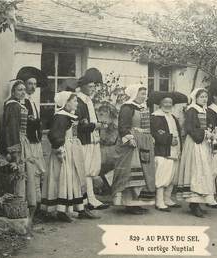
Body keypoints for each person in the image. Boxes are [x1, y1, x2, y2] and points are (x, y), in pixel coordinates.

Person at [41, 91, 99, 222]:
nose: (77, 103)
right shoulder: (60, 117)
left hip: (73, 149)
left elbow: (75, 130)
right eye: (74, 101)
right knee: (65, 178)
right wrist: (59, 149)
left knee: (77, 178)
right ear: (66, 102)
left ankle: (80, 208)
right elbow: (54, 134)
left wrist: (88, 125)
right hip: (64, 150)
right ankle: (61, 211)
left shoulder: (69, 116)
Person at [0, 80, 41, 229]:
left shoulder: (18, 105)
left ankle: (28, 215)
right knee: (21, 176)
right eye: (19, 90)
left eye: (24, 90)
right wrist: (14, 151)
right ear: (13, 91)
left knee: (28, 175)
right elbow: (11, 129)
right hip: (19, 143)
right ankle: (20, 213)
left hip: (25, 142)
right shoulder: (12, 105)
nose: (23, 92)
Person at [111, 84, 156, 215]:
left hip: (144, 142)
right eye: (142, 93)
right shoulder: (127, 108)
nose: (145, 96)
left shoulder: (143, 108)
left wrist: (150, 136)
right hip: (133, 143)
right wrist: (130, 138)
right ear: (134, 94)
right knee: (132, 172)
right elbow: (123, 126)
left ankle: (139, 202)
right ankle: (129, 203)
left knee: (144, 171)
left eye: (145, 93)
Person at [176, 88, 217, 218]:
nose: (204, 99)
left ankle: (199, 202)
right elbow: (189, 127)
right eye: (201, 97)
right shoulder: (192, 110)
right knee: (196, 169)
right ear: (196, 98)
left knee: (204, 170)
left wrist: (213, 132)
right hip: (195, 143)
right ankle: (194, 204)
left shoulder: (205, 110)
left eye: (206, 97)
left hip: (204, 143)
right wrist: (204, 133)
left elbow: (209, 125)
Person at [75, 68, 109, 210]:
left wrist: (97, 125)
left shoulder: (88, 101)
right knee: (85, 170)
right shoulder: (79, 102)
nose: (92, 89)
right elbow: (80, 125)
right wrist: (96, 125)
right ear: (82, 87)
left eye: (94, 86)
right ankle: (85, 200)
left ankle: (91, 198)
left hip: (92, 139)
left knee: (91, 170)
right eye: (90, 86)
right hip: (84, 140)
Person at [16, 68, 47, 214]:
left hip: (36, 142)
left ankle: (37, 204)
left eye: (34, 84)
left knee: (38, 173)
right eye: (29, 84)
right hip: (28, 143)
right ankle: (31, 205)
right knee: (31, 173)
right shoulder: (23, 103)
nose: (33, 87)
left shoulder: (32, 102)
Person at [150, 92, 184, 211]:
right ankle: (159, 201)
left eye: (170, 102)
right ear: (160, 103)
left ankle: (167, 198)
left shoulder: (173, 117)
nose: (168, 104)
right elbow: (156, 132)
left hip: (175, 150)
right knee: (162, 175)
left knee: (172, 176)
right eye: (165, 102)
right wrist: (169, 139)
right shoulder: (156, 116)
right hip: (163, 150)